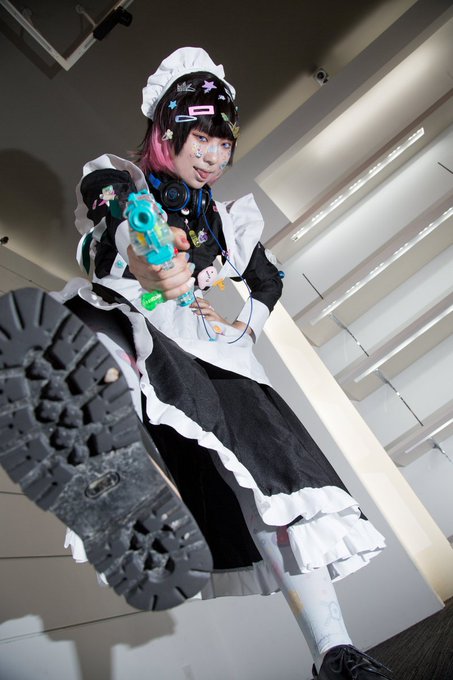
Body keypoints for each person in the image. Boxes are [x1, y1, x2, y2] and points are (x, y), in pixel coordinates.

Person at [0, 47, 393, 680]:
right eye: (201, 138)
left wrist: (243, 325)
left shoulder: (225, 224)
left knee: (273, 492)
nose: (212, 156)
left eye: (223, 143)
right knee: (101, 326)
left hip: (214, 359)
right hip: (139, 325)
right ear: (167, 132)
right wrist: (145, 259)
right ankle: (90, 449)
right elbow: (113, 228)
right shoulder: (120, 183)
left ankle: (334, 652)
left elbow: (267, 280)